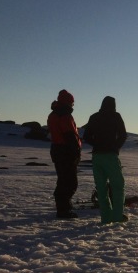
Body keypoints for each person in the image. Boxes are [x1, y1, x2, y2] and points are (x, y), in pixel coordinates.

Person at [83, 96, 128, 224]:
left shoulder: (94, 117)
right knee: (118, 185)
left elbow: (86, 136)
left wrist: (97, 144)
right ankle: (117, 216)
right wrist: (115, 146)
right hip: (110, 156)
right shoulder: (116, 116)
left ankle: (106, 217)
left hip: (97, 156)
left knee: (101, 188)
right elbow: (123, 135)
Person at [47, 89, 82, 219]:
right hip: (65, 151)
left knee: (64, 180)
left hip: (57, 150)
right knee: (69, 181)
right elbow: (69, 135)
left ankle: (64, 206)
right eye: (72, 103)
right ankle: (63, 210)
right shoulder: (64, 115)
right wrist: (75, 151)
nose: (73, 105)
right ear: (67, 103)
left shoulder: (54, 114)